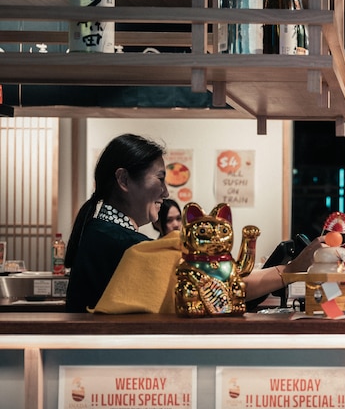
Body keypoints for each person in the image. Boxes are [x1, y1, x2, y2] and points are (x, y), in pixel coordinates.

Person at [66, 133, 320, 313]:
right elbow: (222, 291)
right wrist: (293, 268)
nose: (166, 192)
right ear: (123, 180)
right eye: (160, 179)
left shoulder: (102, 233)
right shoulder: (128, 246)